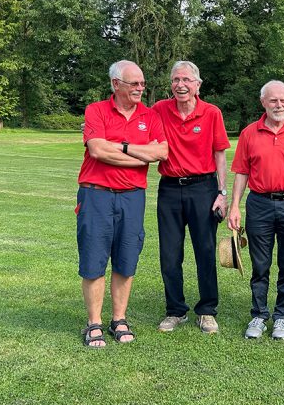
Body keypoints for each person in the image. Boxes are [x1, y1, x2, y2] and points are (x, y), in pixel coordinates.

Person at [76, 60, 168, 348]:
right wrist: (139, 156)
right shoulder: (96, 110)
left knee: (126, 259)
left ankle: (119, 319)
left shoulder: (150, 116)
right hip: (96, 194)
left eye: (142, 84)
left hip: (132, 196)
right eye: (134, 83)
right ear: (116, 84)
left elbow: (161, 152)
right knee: (94, 259)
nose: (140, 88)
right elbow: (97, 150)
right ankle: (94, 323)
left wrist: (121, 146)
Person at [227, 81, 284, 341]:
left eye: (283, 100)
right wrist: (234, 205)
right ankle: (259, 314)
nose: (279, 105)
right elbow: (242, 172)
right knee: (260, 265)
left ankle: (281, 317)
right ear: (263, 102)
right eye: (273, 100)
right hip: (259, 204)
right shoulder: (249, 133)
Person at [151, 61, 230, 335]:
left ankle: (207, 310)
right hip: (170, 189)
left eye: (186, 80)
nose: (180, 85)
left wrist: (222, 193)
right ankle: (175, 310)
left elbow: (220, 155)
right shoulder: (159, 109)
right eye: (175, 80)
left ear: (198, 84)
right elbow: (137, 128)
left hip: (203, 188)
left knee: (205, 251)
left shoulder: (211, 112)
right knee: (169, 253)